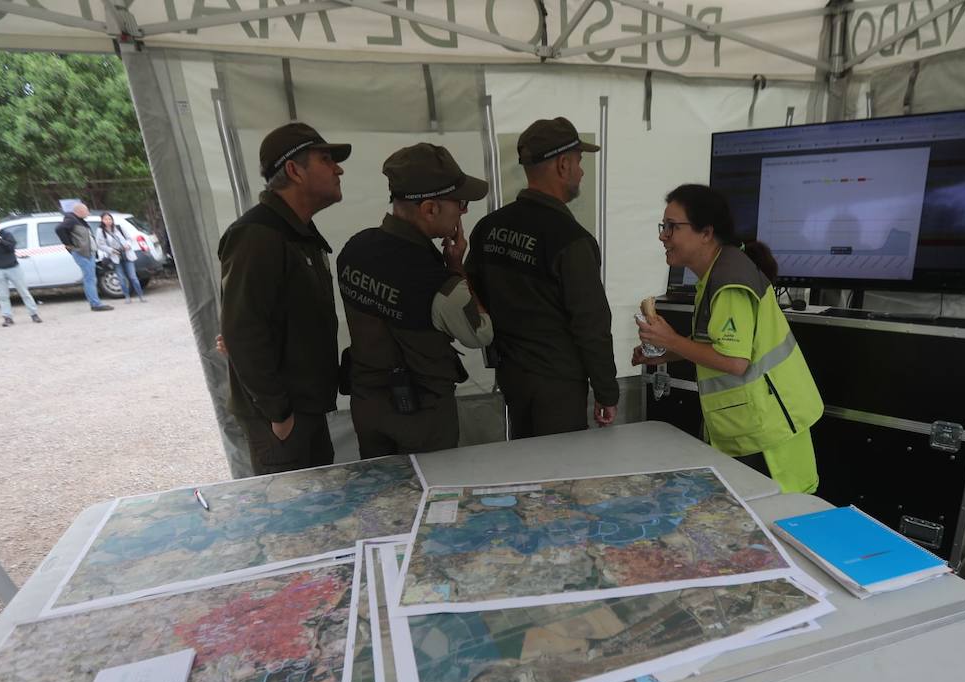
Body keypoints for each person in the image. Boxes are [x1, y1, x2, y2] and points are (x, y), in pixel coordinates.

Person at [636, 183, 824, 494]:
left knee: (772, 522)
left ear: (706, 233)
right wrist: (664, 355)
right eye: (663, 226)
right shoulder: (716, 274)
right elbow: (718, 346)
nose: (662, 236)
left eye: (672, 227)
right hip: (749, 427)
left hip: (767, 434)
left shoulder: (729, 281)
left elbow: (736, 362)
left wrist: (671, 340)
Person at [337, 143, 495, 458]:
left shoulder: (354, 249)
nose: (463, 211)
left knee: (381, 498)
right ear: (429, 209)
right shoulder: (439, 284)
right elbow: (480, 333)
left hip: (368, 407)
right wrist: (457, 267)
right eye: (460, 203)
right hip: (422, 419)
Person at [466, 117, 618, 439]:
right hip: (558, 387)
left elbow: (472, 293)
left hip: (513, 379)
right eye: (578, 162)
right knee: (560, 476)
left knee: (526, 471)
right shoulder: (571, 240)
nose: (581, 171)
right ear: (563, 165)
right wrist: (606, 392)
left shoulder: (489, 228)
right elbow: (591, 325)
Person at [218, 121, 350, 475]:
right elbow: (242, 331)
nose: (338, 169)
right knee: (293, 517)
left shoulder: (298, 232)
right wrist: (279, 414)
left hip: (306, 408)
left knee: (319, 509)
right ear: (294, 170)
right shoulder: (257, 235)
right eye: (325, 159)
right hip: (282, 417)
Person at [0, 213, 41, 326]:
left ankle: (34, 314)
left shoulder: (6, 234)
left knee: (24, 292)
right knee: (3, 295)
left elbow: (10, 247)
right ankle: (7, 317)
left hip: (13, 267)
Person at [55, 203, 112, 312]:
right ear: (79, 211)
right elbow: (59, 229)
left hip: (88, 253)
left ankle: (94, 302)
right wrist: (68, 244)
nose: (88, 213)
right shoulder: (71, 220)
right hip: (82, 253)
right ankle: (96, 304)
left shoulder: (79, 220)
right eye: (86, 211)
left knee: (90, 278)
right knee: (89, 279)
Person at [96, 212, 147, 303]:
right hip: (115, 256)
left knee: (133, 277)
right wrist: (111, 250)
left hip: (126, 254)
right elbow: (100, 244)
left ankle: (141, 295)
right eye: (105, 219)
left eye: (109, 219)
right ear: (102, 220)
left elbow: (129, 238)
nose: (108, 221)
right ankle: (127, 297)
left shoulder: (119, 227)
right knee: (121, 277)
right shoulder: (100, 231)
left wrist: (127, 245)